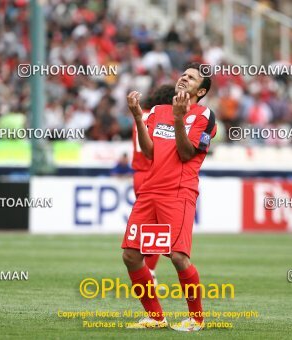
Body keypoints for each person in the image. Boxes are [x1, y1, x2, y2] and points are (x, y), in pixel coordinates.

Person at [122, 62, 217, 332]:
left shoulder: (204, 116)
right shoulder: (159, 111)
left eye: (191, 78)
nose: (183, 79)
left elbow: (187, 154)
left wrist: (178, 118)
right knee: (130, 255)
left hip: (178, 192)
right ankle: (155, 316)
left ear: (201, 91)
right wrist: (139, 117)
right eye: (183, 75)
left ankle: (196, 319)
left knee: (177, 257)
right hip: (150, 190)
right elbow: (150, 151)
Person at [131, 84, 175, 288]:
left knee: (151, 227)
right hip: (153, 173)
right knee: (159, 228)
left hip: (138, 173)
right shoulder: (160, 118)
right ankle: (149, 270)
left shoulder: (141, 115)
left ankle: (146, 269)